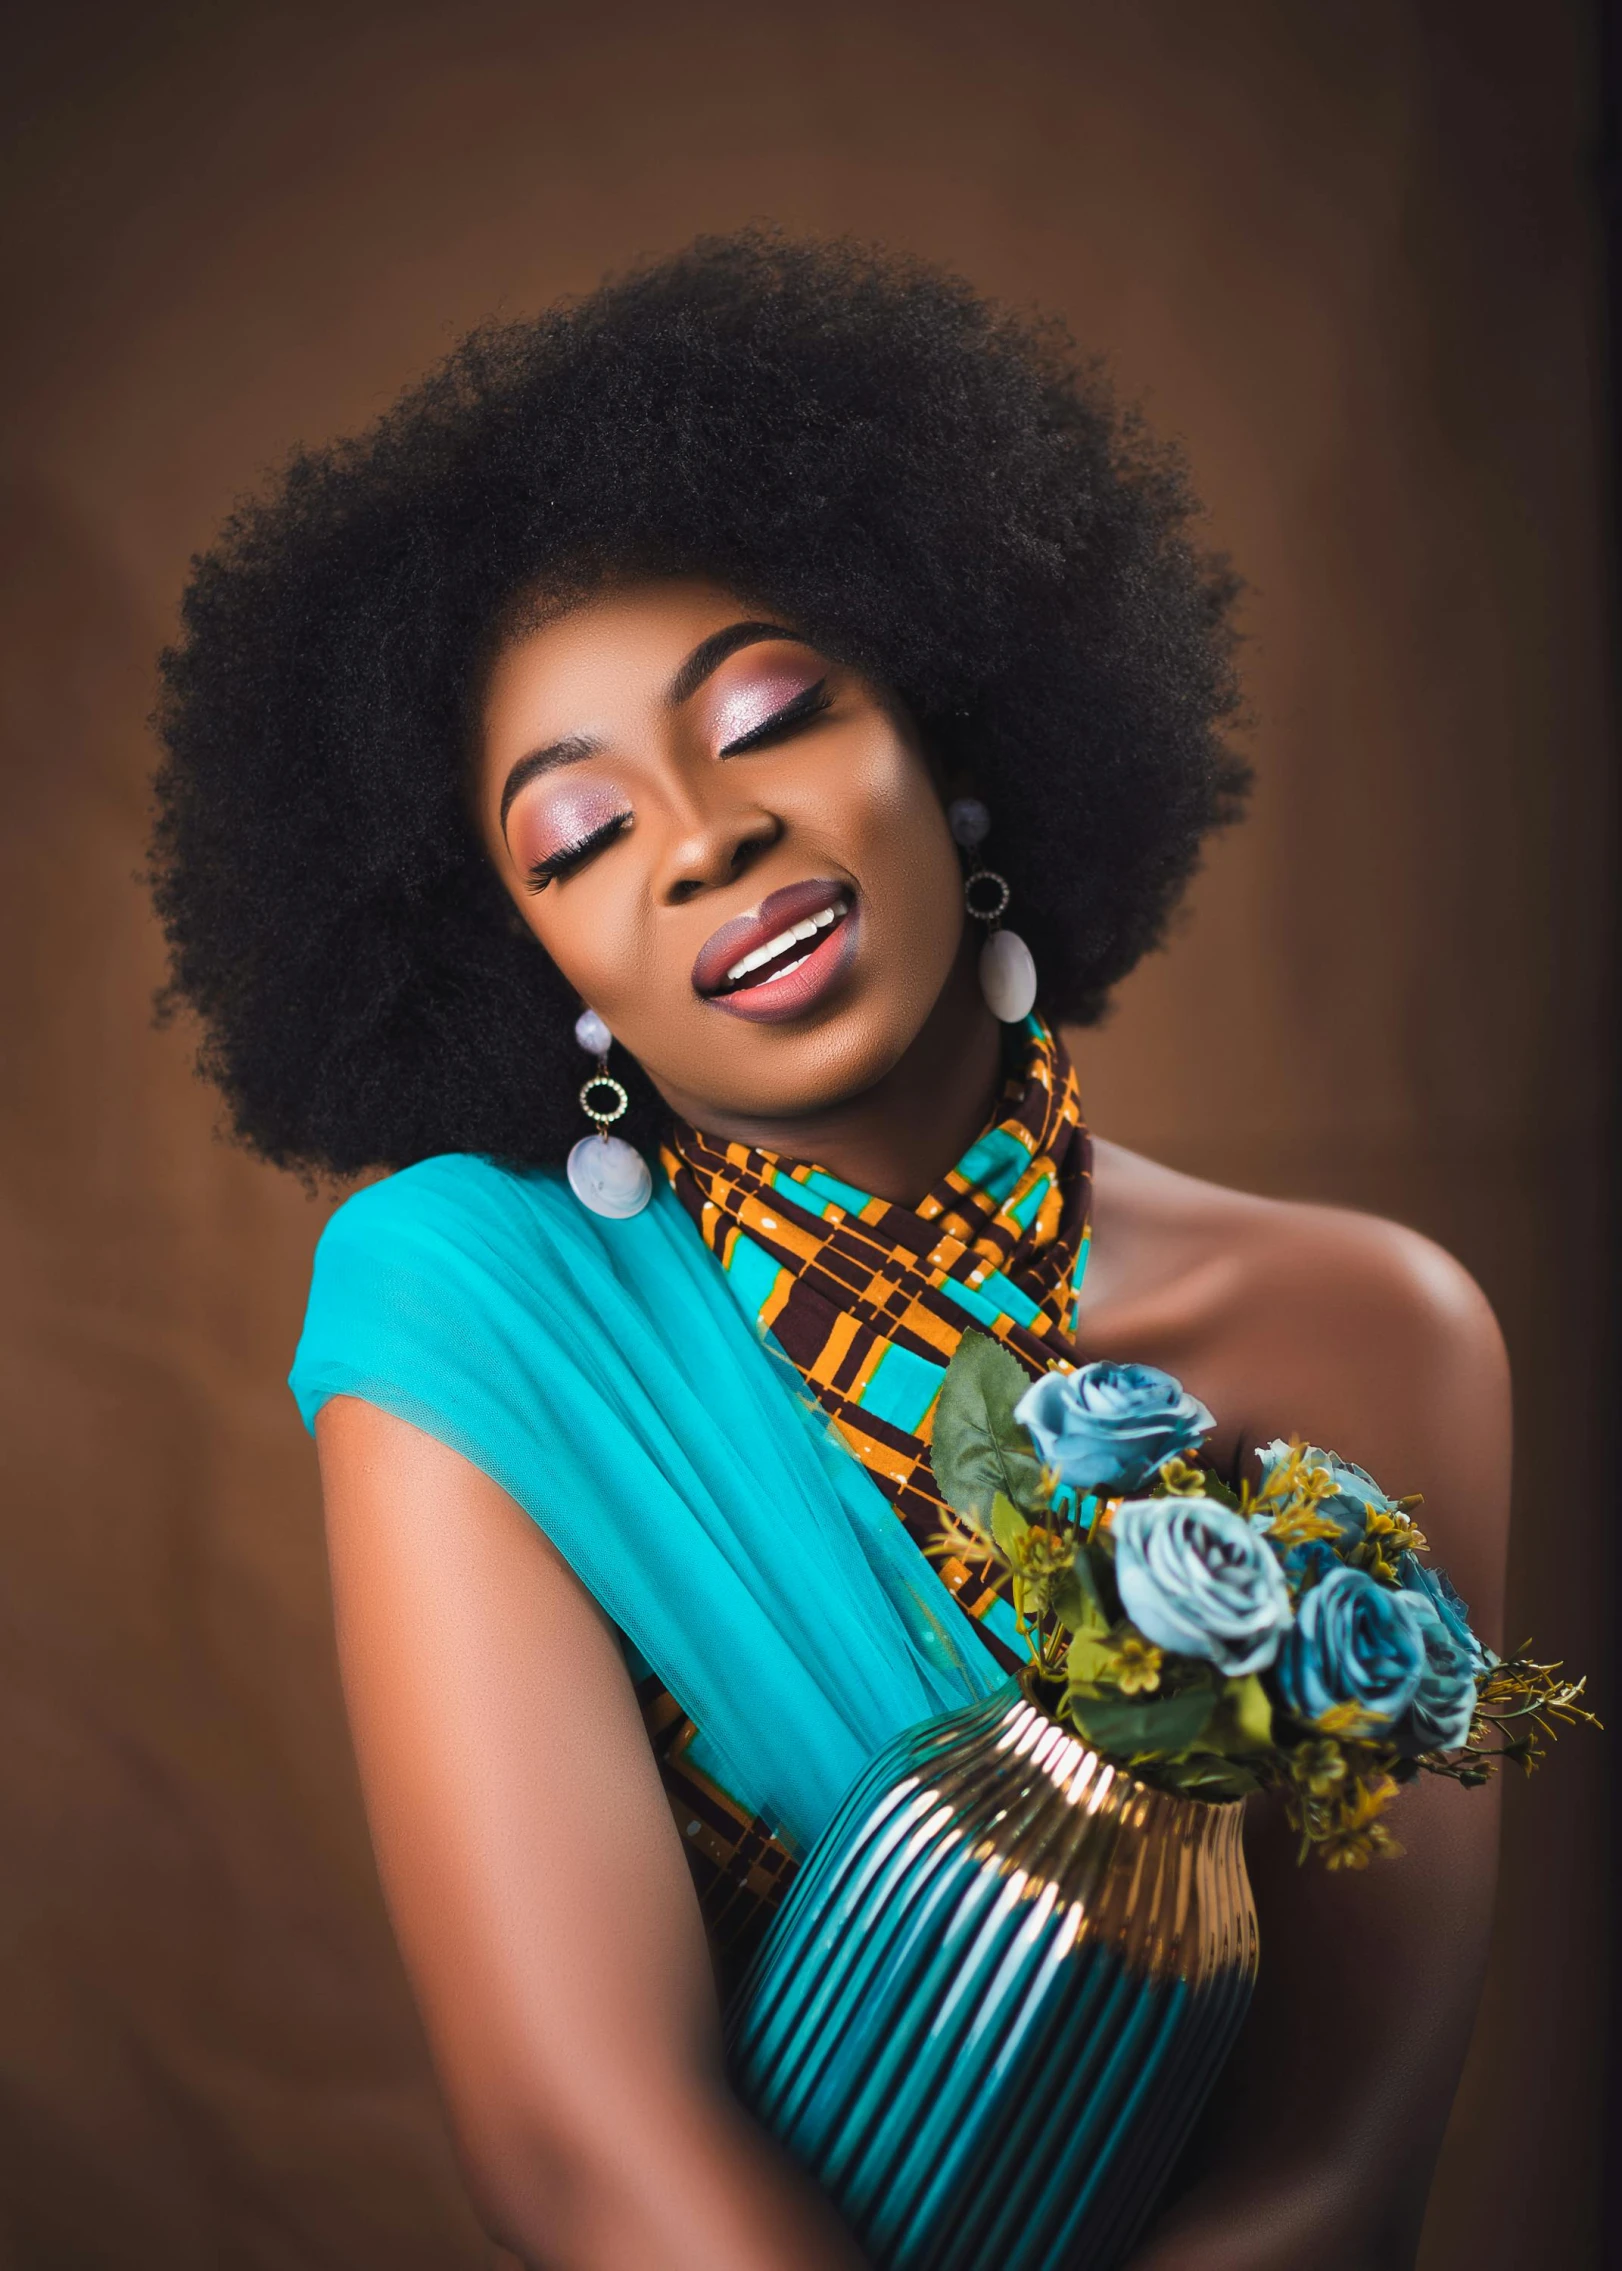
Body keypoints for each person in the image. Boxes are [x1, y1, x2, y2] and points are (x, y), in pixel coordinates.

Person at [150, 231, 1508, 2271]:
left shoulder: (1373, 1331)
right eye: (578, 836)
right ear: (539, 972)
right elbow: (587, 2149)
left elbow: (1346, 2150)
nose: (702, 833)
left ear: (950, 743)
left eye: (770, 713)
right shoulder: (468, 1317)